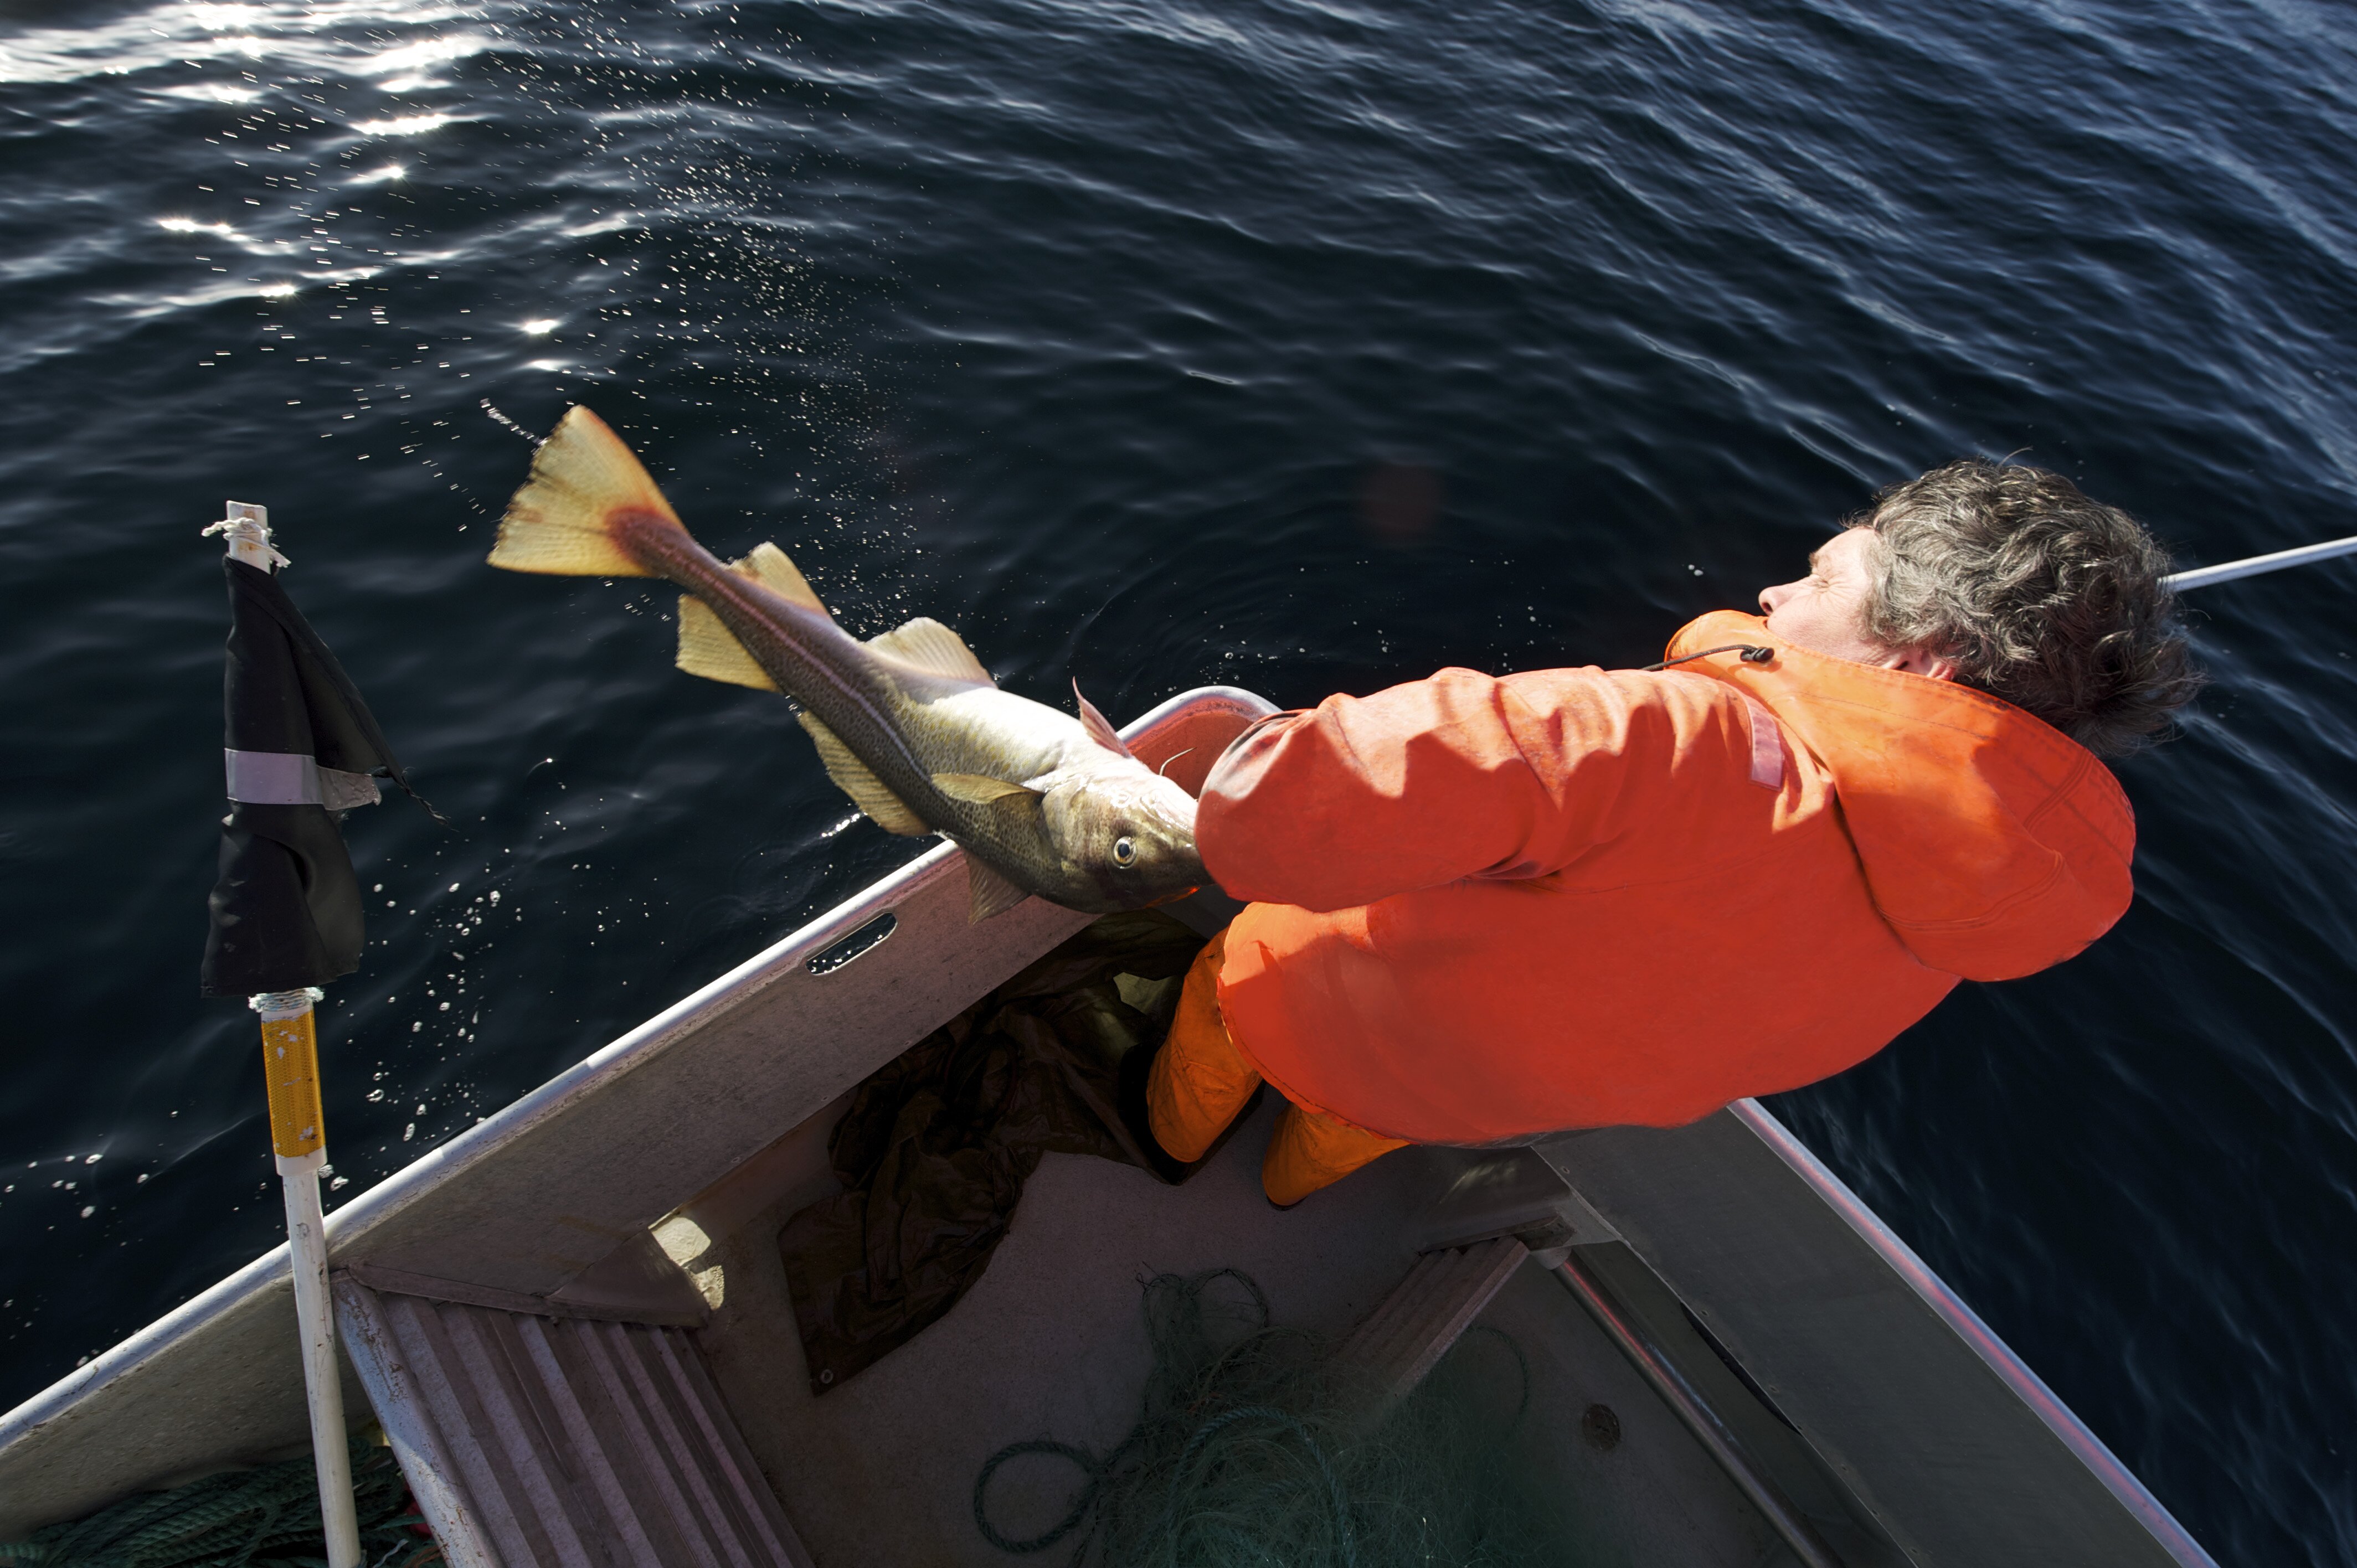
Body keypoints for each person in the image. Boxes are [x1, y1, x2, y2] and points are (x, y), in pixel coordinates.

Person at [1131, 458, 2202, 1206]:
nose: (1778, 590)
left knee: (1223, 1023)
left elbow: (1268, 817)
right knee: (1342, 1134)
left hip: (1313, 1000)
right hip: (1473, 1098)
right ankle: (1278, 1197)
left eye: (1826, 579)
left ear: (1921, 663)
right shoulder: (1991, 882)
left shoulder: (1663, 738)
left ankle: (1168, 1152)